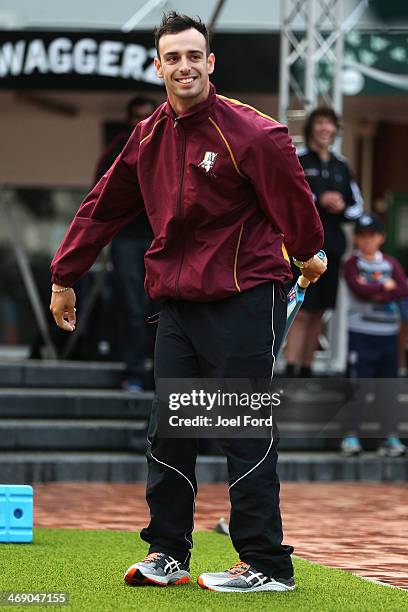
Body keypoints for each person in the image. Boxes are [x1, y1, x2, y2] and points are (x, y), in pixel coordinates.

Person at [50, 12, 326, 594]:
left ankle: (267, 564)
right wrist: (65, 275)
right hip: (177, 302)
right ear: (159, 66)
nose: (184, 67)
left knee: (238, 425)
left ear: (211, 63)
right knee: (170, 427)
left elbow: (294, 202)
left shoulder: (253, 133)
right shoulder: (148, 136)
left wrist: (308, 252)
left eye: (193, 56)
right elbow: (103, 206)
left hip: (245, 296)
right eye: (172, 58)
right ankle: (168, 553)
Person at [285, 107, 363, 377]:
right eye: (319, 123)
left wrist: (340, 207)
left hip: (333, 248)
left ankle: (306, 367)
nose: (324, 129)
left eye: (329, 124)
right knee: (301, 306)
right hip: (303, 247)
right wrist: (319, 201)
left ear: (335, 130)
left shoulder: (342, 165)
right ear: (311, 128)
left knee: (320, 309)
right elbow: (287, 197)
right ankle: (290, 365)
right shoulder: (298, 160)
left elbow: (357, 208)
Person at [94, 96, 157, 391]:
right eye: (137, 117)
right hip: (127, 238)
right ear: (129, 119)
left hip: (162, 239)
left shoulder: (168, 142)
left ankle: (160, 373)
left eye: (148, 115)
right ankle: (133, 371)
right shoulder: (117, 150)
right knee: (131, 305)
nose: (143, 122)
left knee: (162, 307)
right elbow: (99, 195)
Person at [342, 213, 408, 457]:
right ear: (356, 239)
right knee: (357, 386)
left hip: (388, 335)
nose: (367, 241)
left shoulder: (391, 263)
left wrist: (375, 291)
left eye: (372, 236)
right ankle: (350, 437)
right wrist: (384, 288)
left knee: (388, 389)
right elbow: (358, 289)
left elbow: (402, 289)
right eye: (362, 236)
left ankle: (390, 438)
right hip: (361, 334)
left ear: (382, 237)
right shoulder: (351, 263)